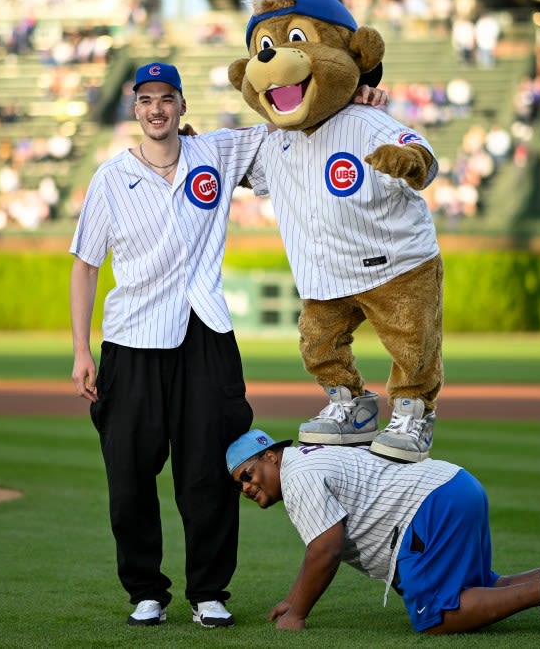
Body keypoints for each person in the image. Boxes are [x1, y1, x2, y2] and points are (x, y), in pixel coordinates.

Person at [71, 62, 388, 629]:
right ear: (135, 108)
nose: (157, 109)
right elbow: (85, 266)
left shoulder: (214, 154)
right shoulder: (111, 179)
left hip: (206, 335)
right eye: (146, 100)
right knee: (129, 474)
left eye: (167, 98)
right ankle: (146, 591)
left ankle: (208, 592)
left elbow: (289, 124)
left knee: (208, 471)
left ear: (182, 105)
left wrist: (352, 101)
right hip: (131, 340)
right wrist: (80, 350)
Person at [226, 428, 540, 636]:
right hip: (454, 487)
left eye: (247, 474)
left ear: (271, 456)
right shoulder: (306, 460)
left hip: (429, 506)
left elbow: (326, 550)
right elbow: (319, 549)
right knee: (472, 590)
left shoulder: (298, 476)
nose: (245, 487)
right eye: (238, 485)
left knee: (437, 618)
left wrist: (297, 614)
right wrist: (292, 599)